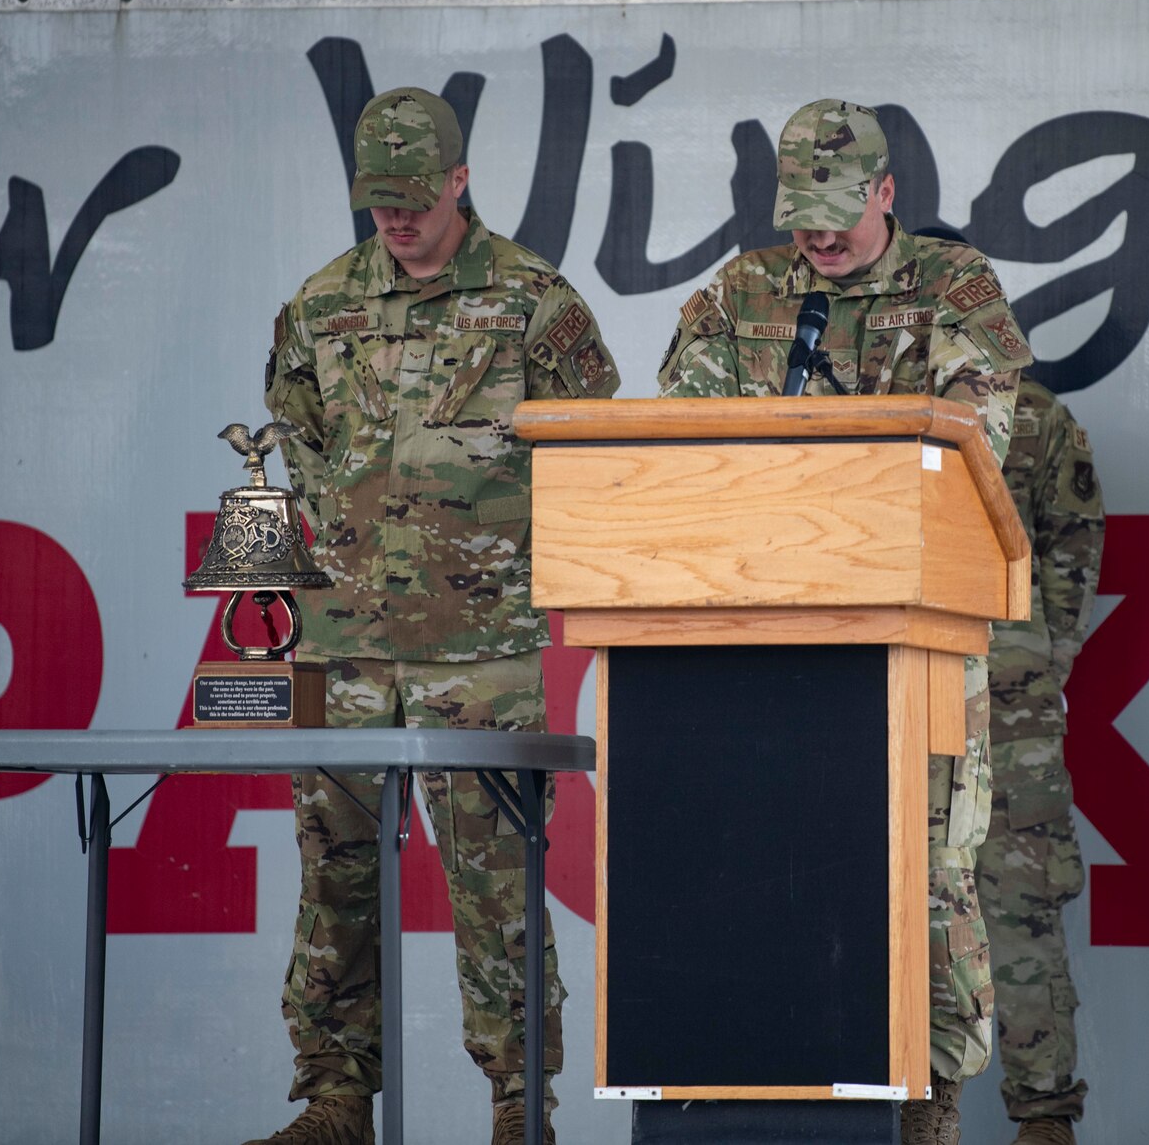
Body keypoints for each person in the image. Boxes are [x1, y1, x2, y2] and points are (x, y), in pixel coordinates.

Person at [659, 99, 1033, 1143]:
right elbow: (669, 436)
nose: (816, 237)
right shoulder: (741, 291)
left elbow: (978, 437)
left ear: (884, 193)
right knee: (762, 866)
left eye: (837, 212)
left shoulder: (952, 287)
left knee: (926, 873)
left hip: (913, 641)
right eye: (800, 216)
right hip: (761, 645)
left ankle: (933, 1112)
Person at [255, 87, 621, 1145]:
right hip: (344, 644)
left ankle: (518, 1105)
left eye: (414, 199)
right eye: (379, 204)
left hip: (481, 647)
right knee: (332, 873)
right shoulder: (320, 307)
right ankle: (333, 1099)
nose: (398, 221)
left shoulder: (531, 303)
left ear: (459, 180)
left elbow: (595, 451)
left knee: (495, 881)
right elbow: (300, 445)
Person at [974, 377, 1102, 1145]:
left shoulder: (1035, 414)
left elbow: (1074, 539)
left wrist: (1044, 656)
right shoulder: (860, 393)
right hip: (880, 696)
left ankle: (1045, 1116)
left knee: (1021, 903)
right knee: (886, 917)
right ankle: (916, 1115)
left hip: (1008, 705)